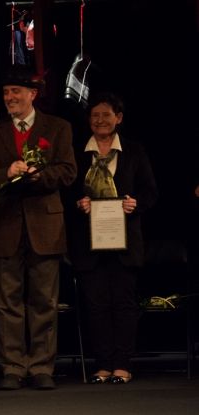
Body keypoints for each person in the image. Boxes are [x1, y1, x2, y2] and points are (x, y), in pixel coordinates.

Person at [0, 65, 76, 390]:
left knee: (44, 300)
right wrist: (6, 173)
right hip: (5, 226)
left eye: (15, 92)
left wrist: (38, 175)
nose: (9, 97)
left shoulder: (57, 128)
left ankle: (42, 366)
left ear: (32, 94)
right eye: (6, 93)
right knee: (8, 301)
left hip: (45, 225)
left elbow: (68, 171)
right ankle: (13, 367)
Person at [68, 92, 157, 385]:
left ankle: (122, 365)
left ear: (118, 118)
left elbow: (150, 192)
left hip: (124, 242)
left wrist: (135, 204)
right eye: (94, 115)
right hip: (88, 243)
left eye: (106, 115)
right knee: (95, 305)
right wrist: (78, 202)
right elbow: (65, 191)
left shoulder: (133, 150)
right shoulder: (77, 151)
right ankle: (103, 365)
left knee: (123, 304)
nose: (100, 120)